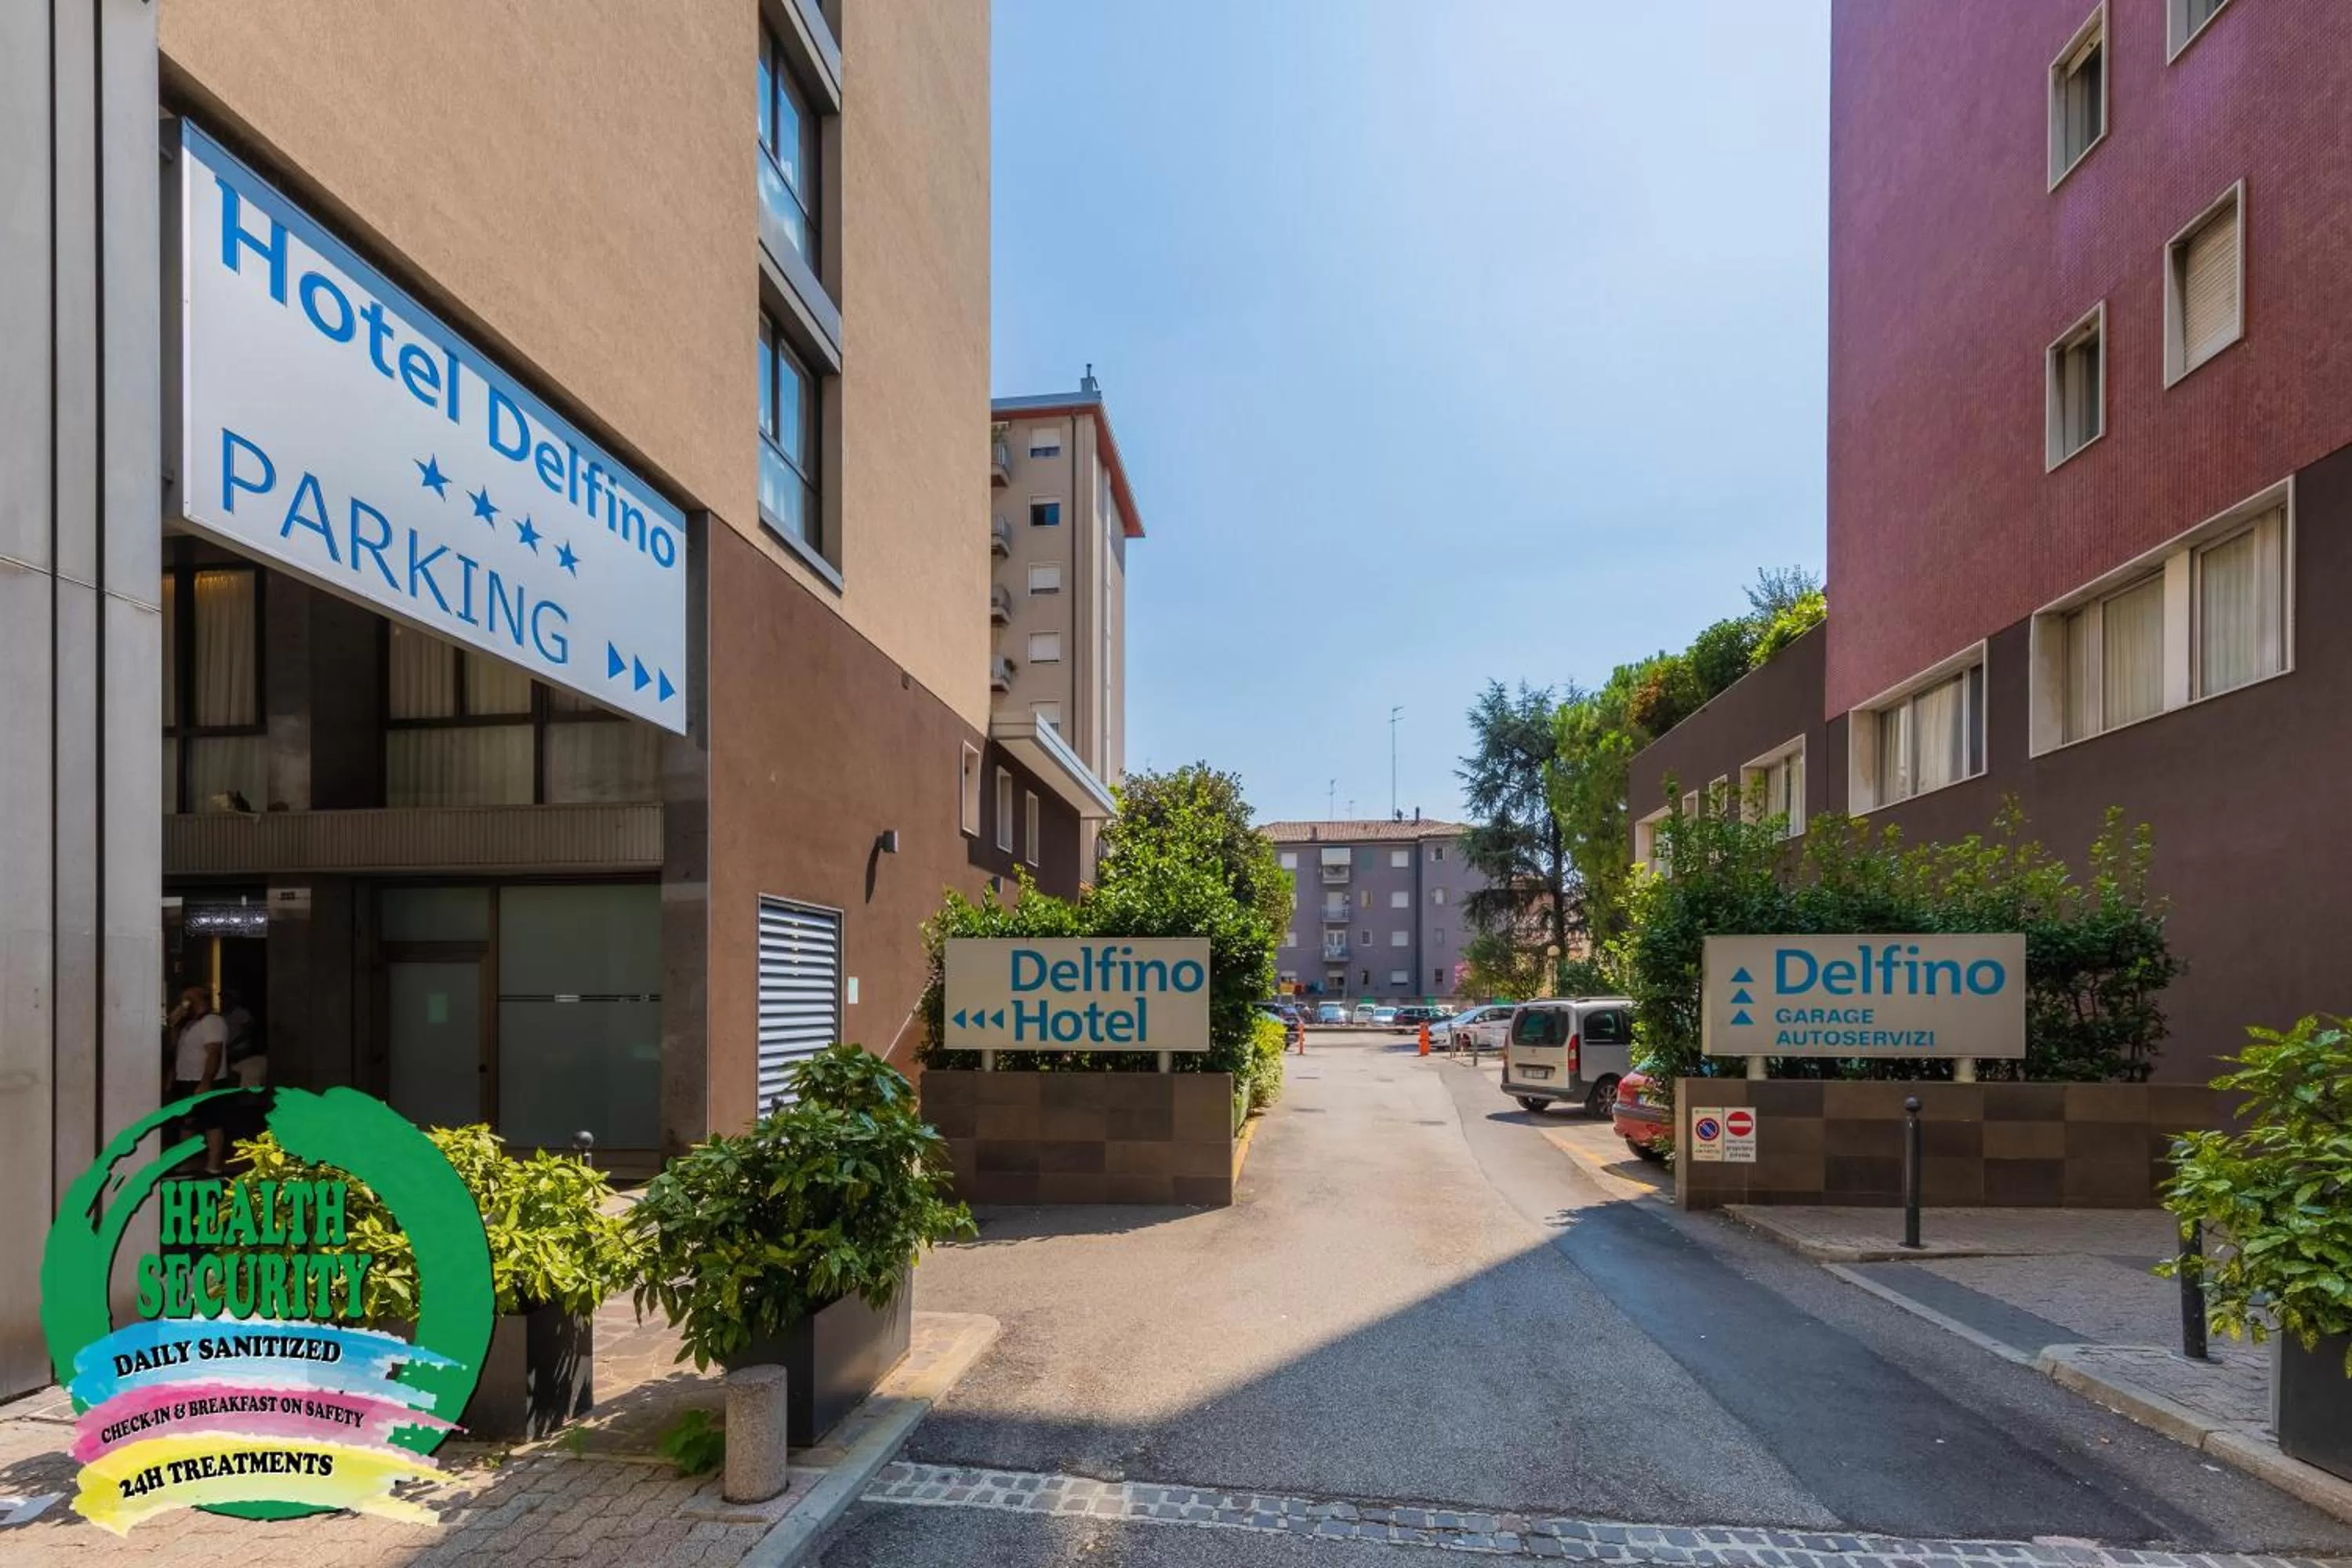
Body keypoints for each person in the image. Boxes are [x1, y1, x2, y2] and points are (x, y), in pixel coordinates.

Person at [166, 985, 229, 1174]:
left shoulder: (212, 1022)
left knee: (212, 1123)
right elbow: (175, 1049)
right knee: (187, 1122)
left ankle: (213, 1165)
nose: (184, 1002)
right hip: (186, 1079)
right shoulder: (189, 1024)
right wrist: (174, 1026)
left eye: (188, 998)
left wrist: (206, 1081)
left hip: (205, 1080)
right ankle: (186, 1163)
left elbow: (214, 1052)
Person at [220, 988, 266, 1089]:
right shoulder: (222, 1015)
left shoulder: (242, 1013)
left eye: (225, 998)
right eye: (222, 999)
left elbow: (247, 1032)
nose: (223, 1001)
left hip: (240, 1049)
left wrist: (232, 1044)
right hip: (227, 1049)